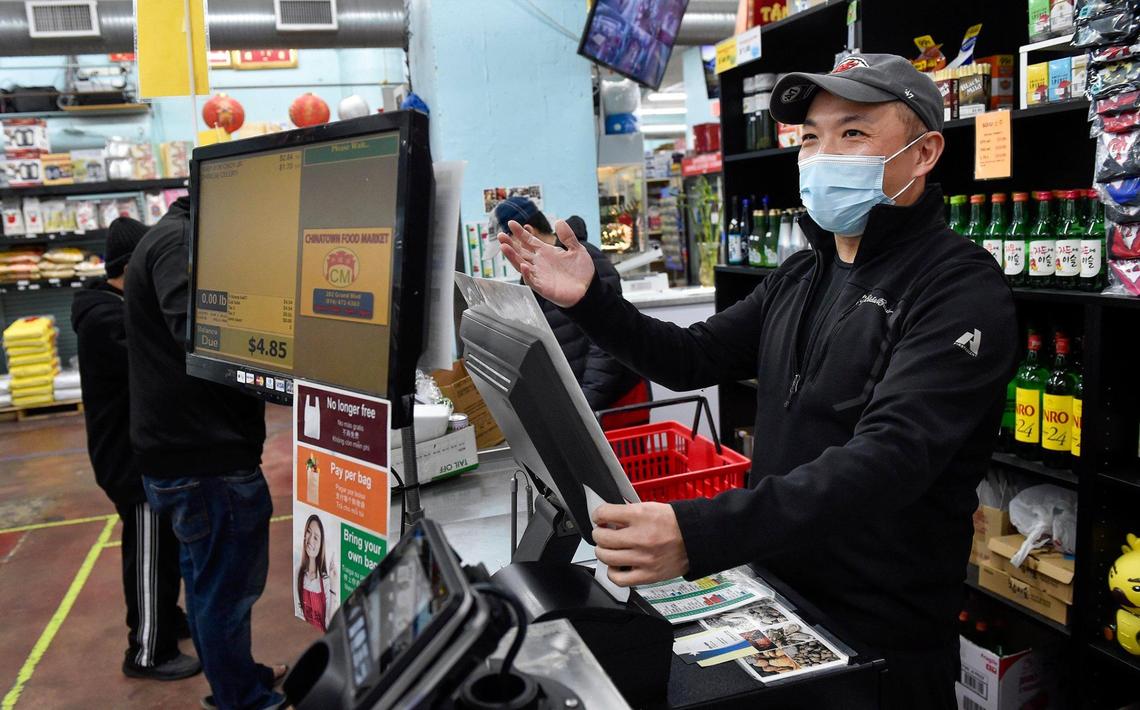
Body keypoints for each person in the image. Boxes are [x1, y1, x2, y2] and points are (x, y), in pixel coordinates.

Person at [499, 54, 1018, 709]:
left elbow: (889, 460)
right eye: (811, 138)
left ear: (924, 153)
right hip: (781, 603)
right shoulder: (801, 275)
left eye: (853, 133)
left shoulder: (959, 289)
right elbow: (692, 357)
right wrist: (591, 302)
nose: (823, 155)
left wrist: (700, 532)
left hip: (884, 642)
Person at [125, 197, 286, 710]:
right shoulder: (179, 242)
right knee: (226, 593)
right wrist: (283, 369)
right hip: (203, 458)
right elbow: (197, 334)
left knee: (207, 584)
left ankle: (237, 679)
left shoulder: (174, 237)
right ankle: (243, 700)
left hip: (188, 453)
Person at [70, 217, 200, 682]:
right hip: (129, 461)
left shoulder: (117, 308)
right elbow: (159, 360)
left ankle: (166, 617)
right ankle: (148, 651)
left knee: (164, 549)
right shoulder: (106, 320)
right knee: (148, 553)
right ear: (131, 268)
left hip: (142, 450)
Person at [490, 196, 645, 420]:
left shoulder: (585, 260)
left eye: (508, 247)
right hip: (582, 398)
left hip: (615, 400)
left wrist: (584, 403)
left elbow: (608, 341)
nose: (508, 258)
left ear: (527, 231)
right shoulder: (532, 272)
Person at [296, 514, 338, 632]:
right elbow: (299, 612)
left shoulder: (326, 582)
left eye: (316, 538)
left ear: (321, 545)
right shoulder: (298, 574)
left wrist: (334, 586)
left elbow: (330, 624)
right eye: (308, 532)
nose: (310, 540)